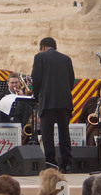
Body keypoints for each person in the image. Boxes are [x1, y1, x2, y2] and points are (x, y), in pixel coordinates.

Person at [31, 37, 74, 172]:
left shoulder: (40, 57)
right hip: (64, 100)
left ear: (43, 47)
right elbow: (71, 80)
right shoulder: (66, 59)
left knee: (47, 133)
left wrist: (37, 96)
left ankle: (51, 162)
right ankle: (66, 163)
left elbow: (36, 79)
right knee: (64, 131)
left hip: (48, 101)